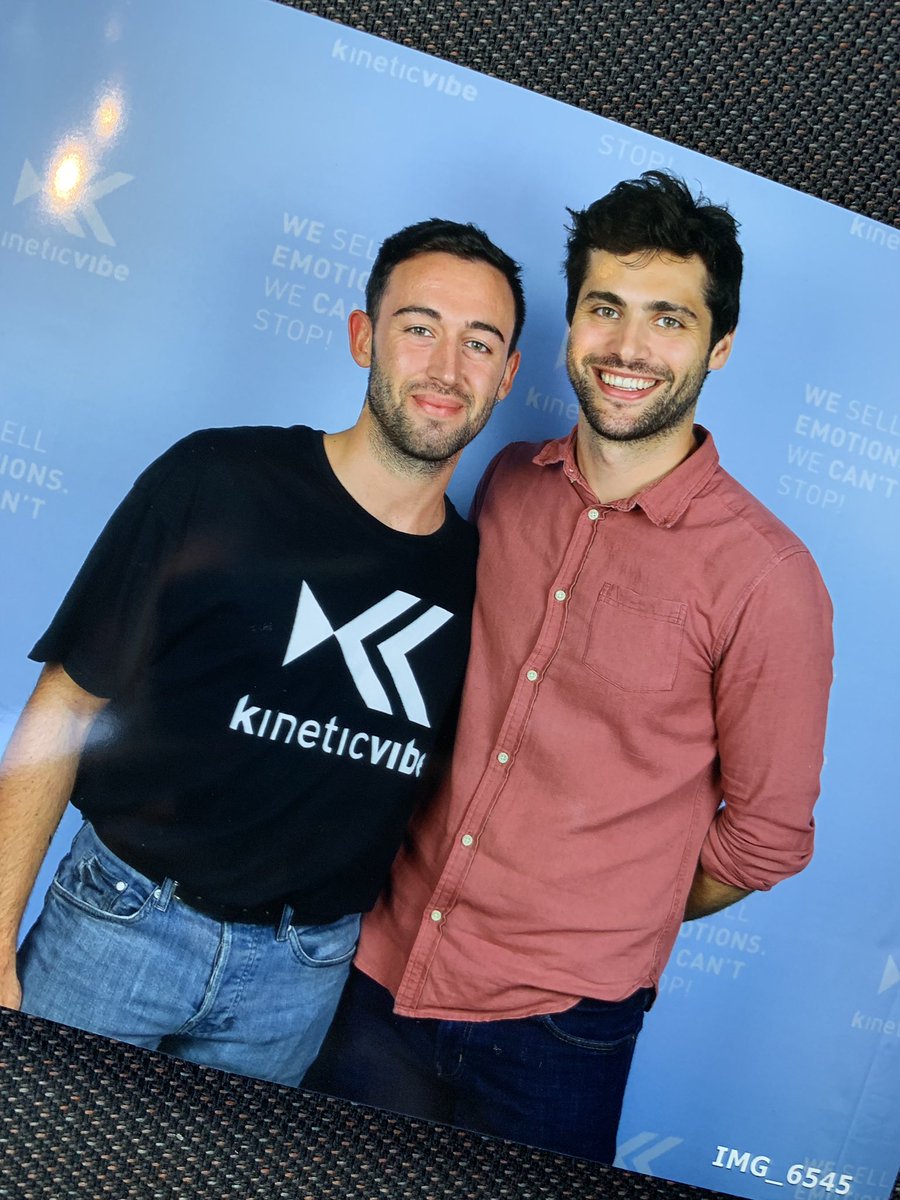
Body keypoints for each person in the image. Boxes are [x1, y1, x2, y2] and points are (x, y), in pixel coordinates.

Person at [305, 173, 834, 1162]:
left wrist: (604, 913)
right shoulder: (506, 484)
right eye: (605, 309)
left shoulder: (769, 579)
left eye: (668, 319)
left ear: (718, 347)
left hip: (558, 1033)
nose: (628, 349)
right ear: (570, 327)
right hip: (377, 972)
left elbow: (766, 839)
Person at [0, 217, 523, 1086]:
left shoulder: (485, 583)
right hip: (121, 927)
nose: (445, 367)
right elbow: (66, 704)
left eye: (480, 342)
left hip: (301, 978)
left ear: (507, 377)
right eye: (419, 326)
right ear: (364, 337)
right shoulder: (216, 480)